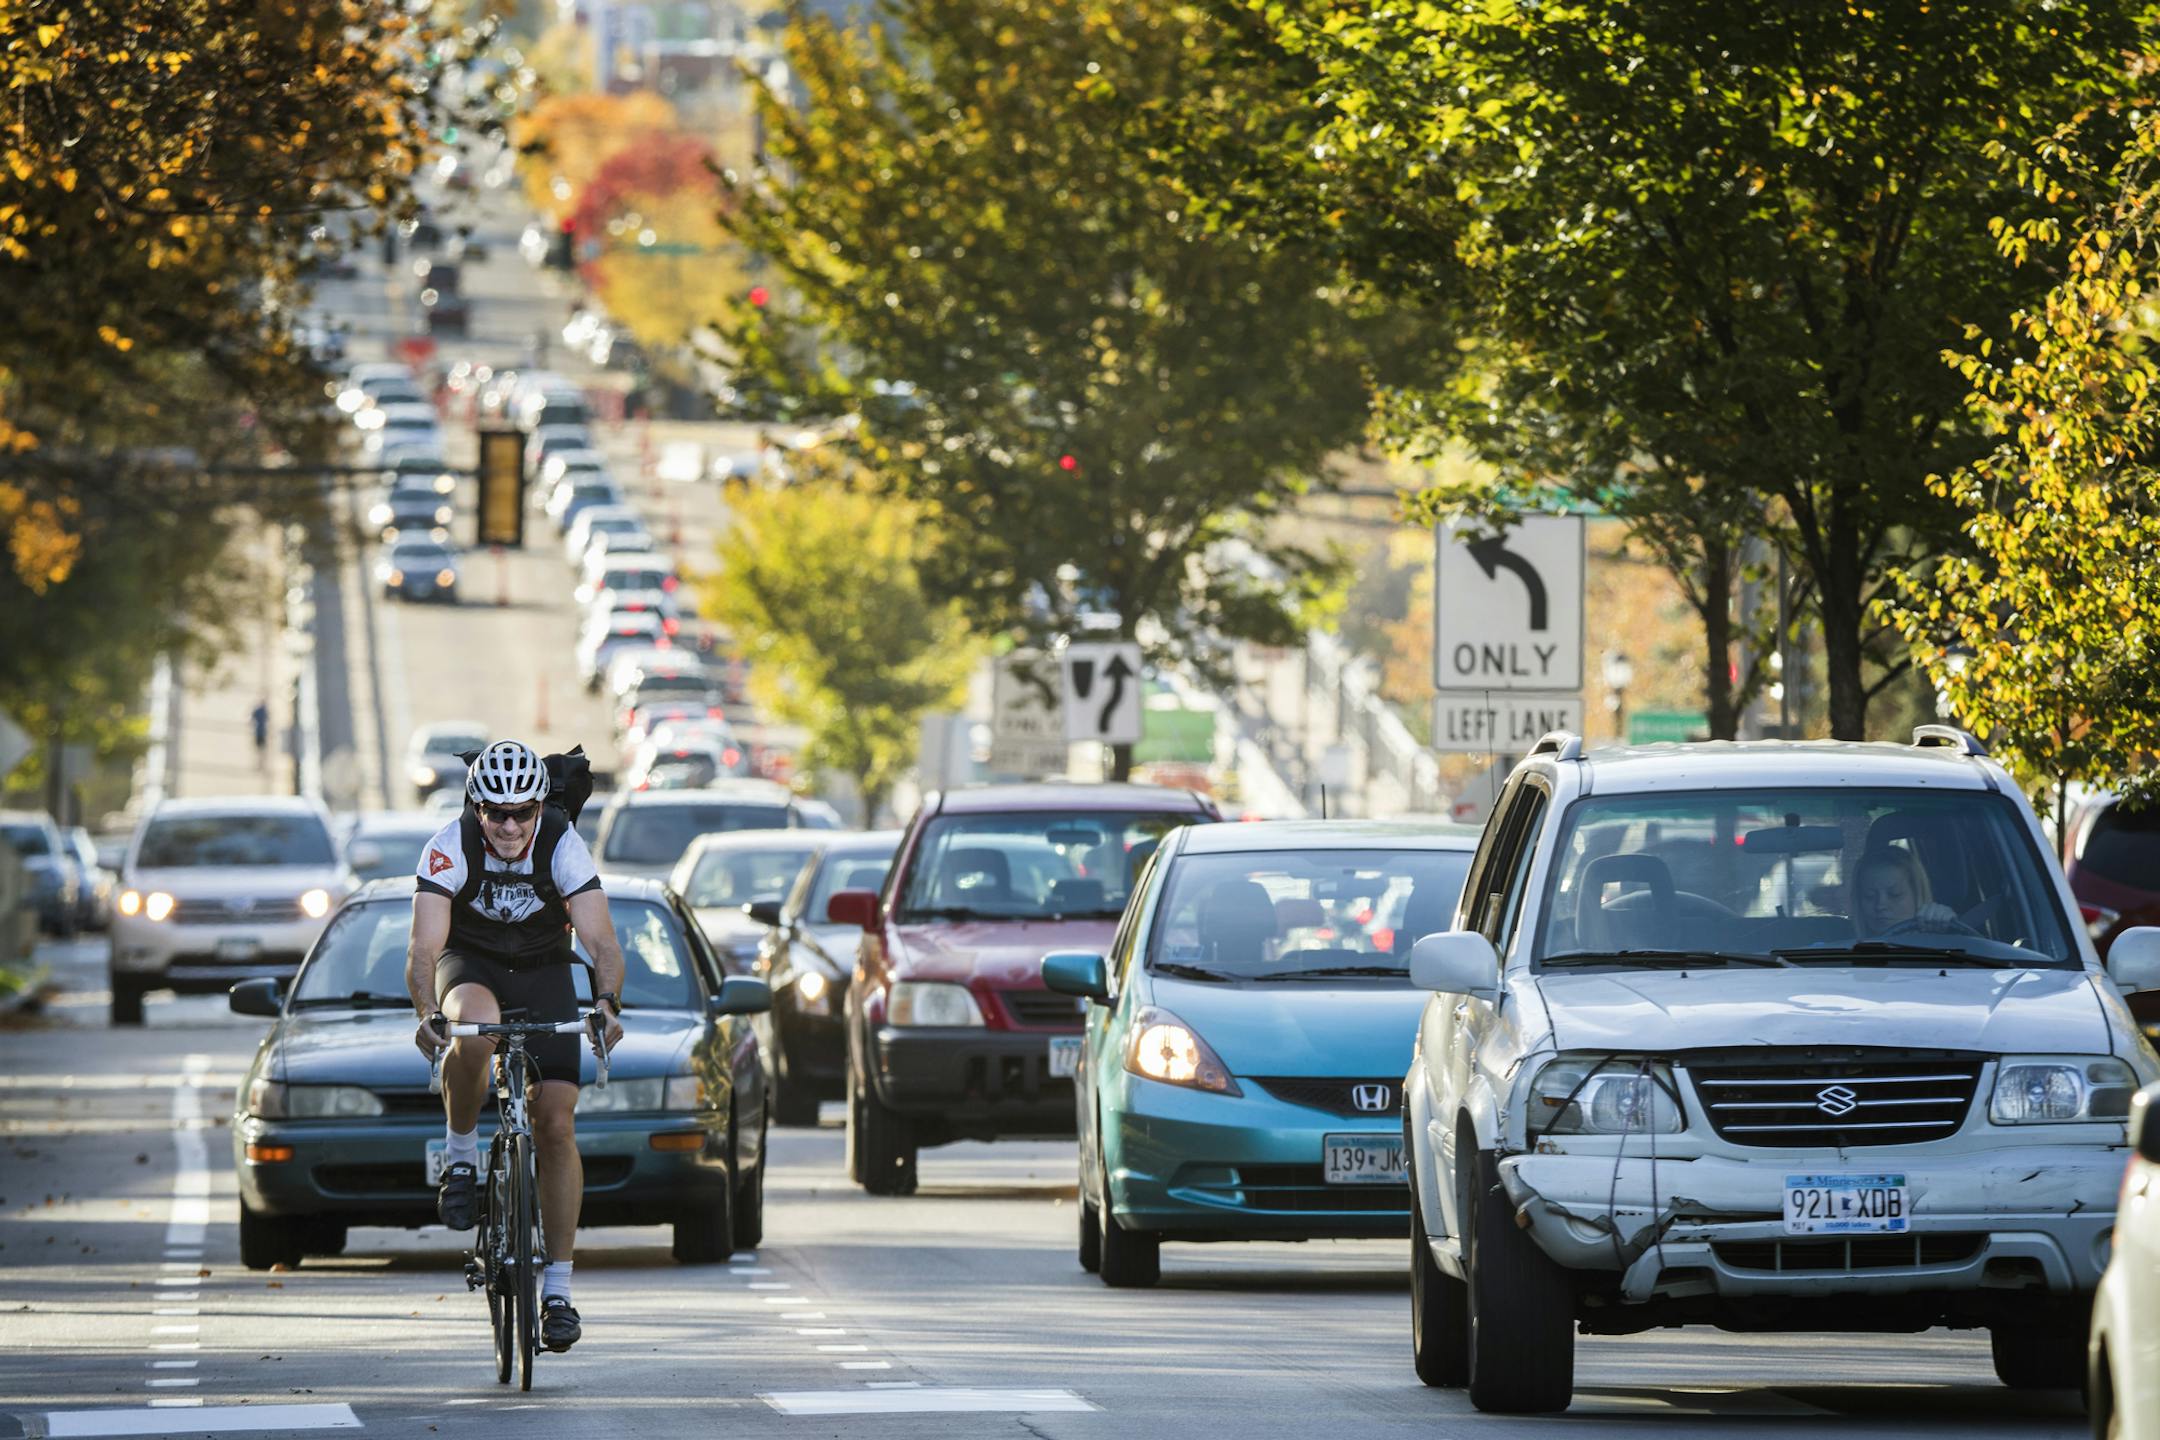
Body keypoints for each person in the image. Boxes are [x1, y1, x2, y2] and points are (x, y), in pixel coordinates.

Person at [405, 739, 626, 1354]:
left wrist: (606, 1002)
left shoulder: (561, 842)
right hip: (469, 964)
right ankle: (460, 1158)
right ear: (476, 806)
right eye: (494, 812)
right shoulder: (449, 846)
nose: (508, 825)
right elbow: (423, 950)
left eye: (521, 812)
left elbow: (602, 943)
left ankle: (557, 1290)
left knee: (555, 1122)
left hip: (544, 968)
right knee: (475, 1024)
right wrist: (427, 1012)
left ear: (538, 809)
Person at [1849, 846, 1957, 936]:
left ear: (1917, 895)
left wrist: (1949, 930)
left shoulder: (1941, 943)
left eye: (1894, 894)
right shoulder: (1840, 949)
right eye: (1870, 896)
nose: (1880, 905)